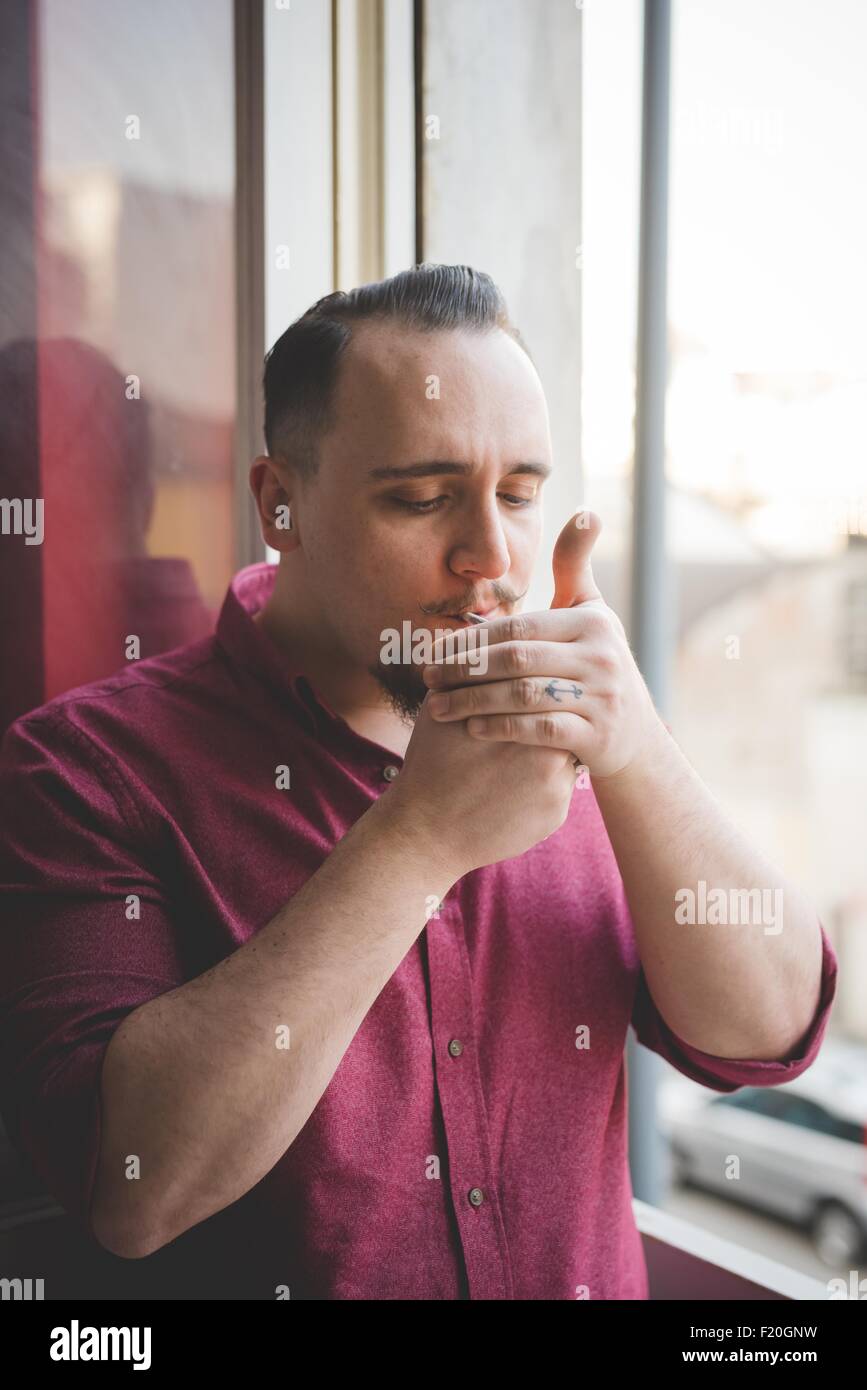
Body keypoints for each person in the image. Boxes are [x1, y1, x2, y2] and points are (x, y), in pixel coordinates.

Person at [0, 264, 837, 1300]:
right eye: (424, 497)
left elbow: (773, 1032)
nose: (490, 555)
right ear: (281, 502)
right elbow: (129, 1189)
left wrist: (639, 747)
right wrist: (417, 841)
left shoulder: (580, 737)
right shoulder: (85, 768)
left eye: (521, 493)